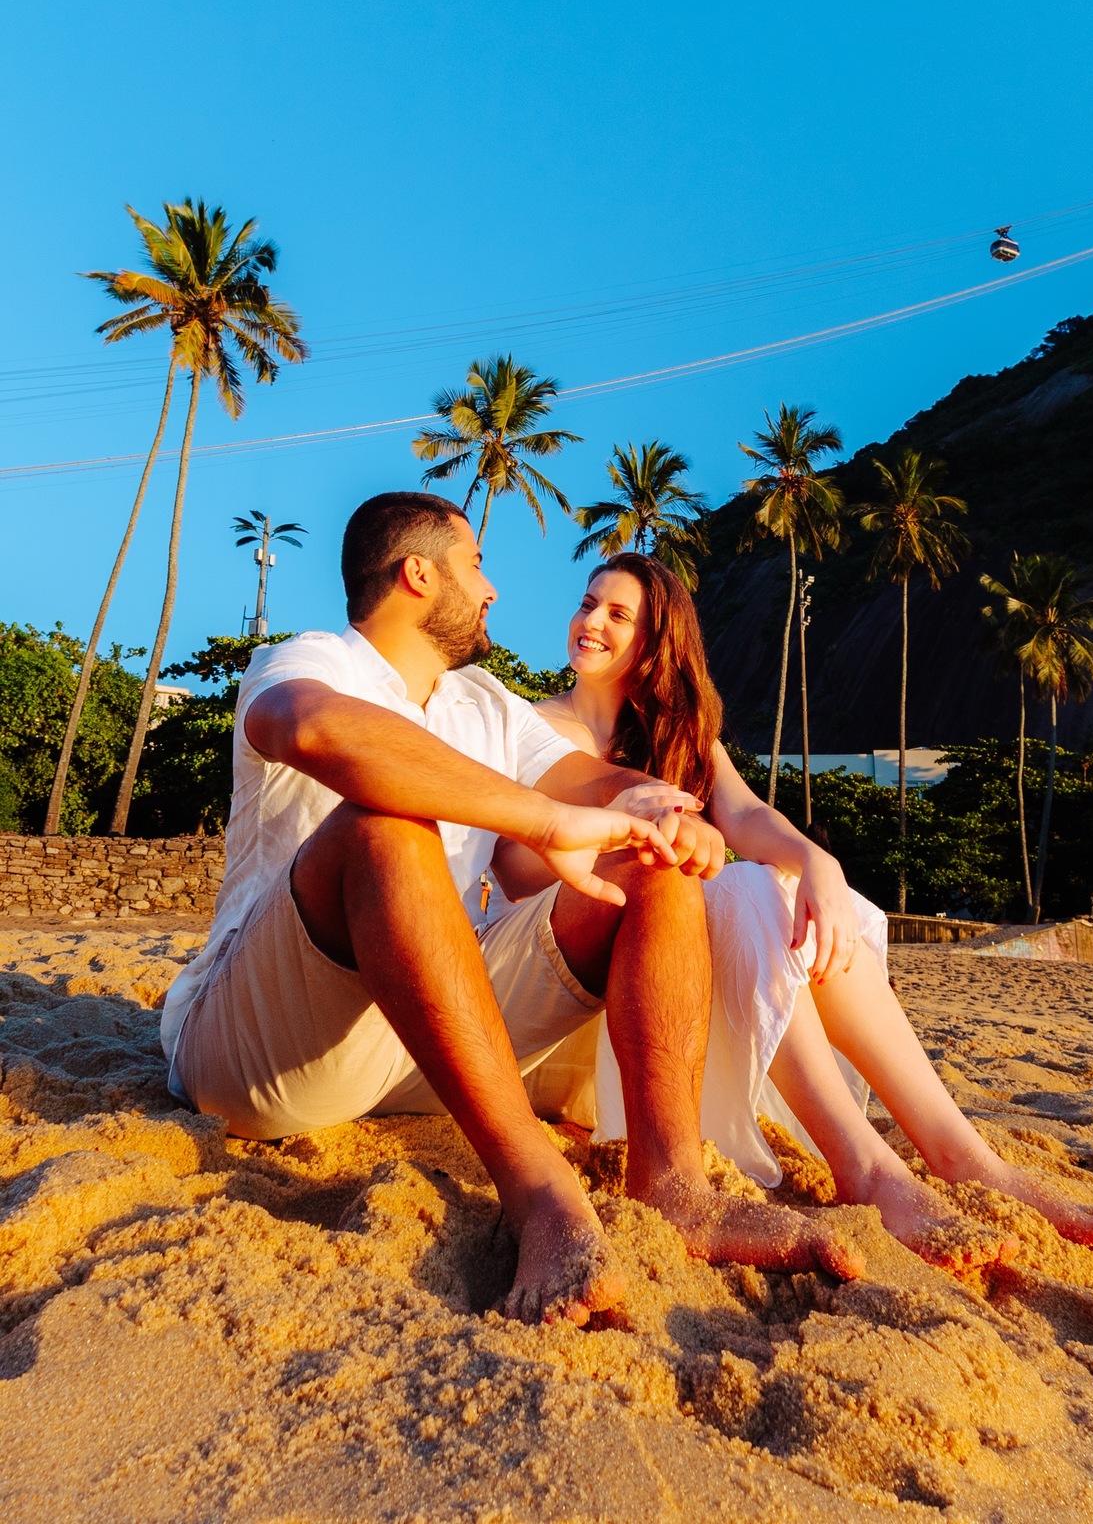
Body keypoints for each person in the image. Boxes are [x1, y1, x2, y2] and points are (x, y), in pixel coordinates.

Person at [160, 494, 866, 1331]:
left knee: (651, 861)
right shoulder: (312, 662)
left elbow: (588, 782)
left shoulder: (485, 702)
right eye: (476, 565)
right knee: (388, 828)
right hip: (262, 1049)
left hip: (433, 1034)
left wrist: (656, 806)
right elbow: (309, 727)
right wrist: (545, 821)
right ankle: (538, 1192)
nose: (492, 588)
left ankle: (676, 1186)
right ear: (419, 575)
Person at [490, 553, 1093, 1266]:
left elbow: (744, 814)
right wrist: (618, 828)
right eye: (588, 604)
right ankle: (867, 1168)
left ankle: (963, 1156)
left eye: (618, 614)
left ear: (655, 641)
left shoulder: (678, 736)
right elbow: (514, 872)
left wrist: (817, 864)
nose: (591, 623)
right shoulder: (535, 727)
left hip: (665, 1009)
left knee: (775, 887)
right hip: (573, 1001)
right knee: (739, 889)